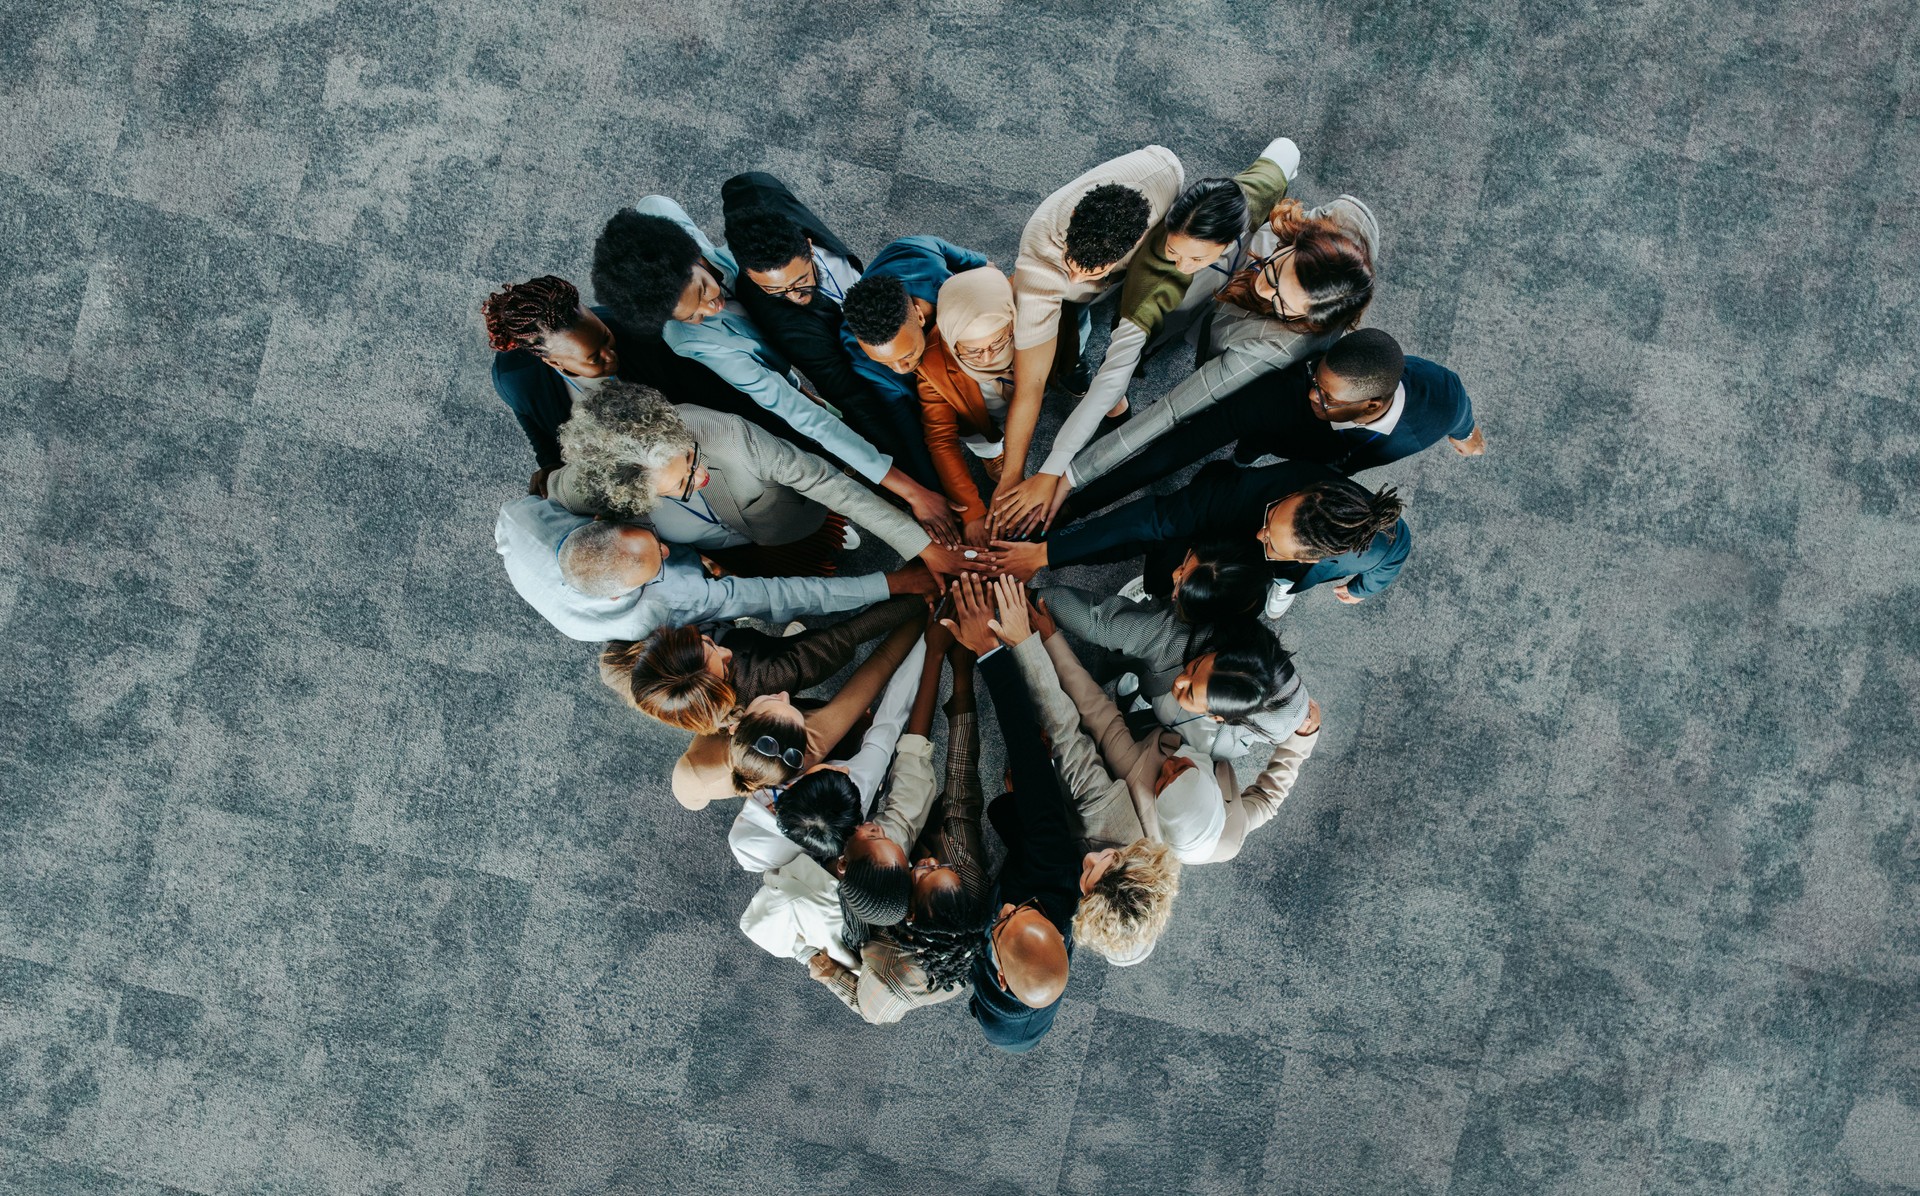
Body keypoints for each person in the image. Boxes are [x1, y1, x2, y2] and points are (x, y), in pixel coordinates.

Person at [590, 198, 961, 543]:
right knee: (820, 431)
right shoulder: (691, 341)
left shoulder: (688, 239)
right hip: (767, 389)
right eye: (694, 314)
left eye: (704, 288)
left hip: (811, 334)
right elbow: (801, 415)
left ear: (690, 253)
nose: (712, 307)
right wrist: (912, 491)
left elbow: (655, 203)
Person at [1057, 193, 1382, 510]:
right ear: (1300, 240)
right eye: (1276, 272)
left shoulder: (1278, 348)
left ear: (1304, 317)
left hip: (1240, 347)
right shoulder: (1347, 214)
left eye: (1281, 301)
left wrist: (1069, 477)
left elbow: (1171, 410)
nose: (1262, 287)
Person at [1030, 138, 1302, 512]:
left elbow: (1285, 150)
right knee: (1145, 349)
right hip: (1173, 310)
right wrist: (1052, 467)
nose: (1182, 264)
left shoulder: (1247, 198)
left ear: (1228, 237)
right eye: (1174, 251)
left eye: (1195, 256)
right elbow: (1110, 380)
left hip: (1232, 288)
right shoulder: (1154, 282)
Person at [545, 381, 971, 580]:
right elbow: (551, 491)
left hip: (786, 521)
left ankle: (835, 537)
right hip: (721, 551)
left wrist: (922, 547)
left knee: (820, 534)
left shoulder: (730, 436)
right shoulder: (592, 482)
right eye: (681, 484)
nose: (704, 474)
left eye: (691, 459)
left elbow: (826, 482)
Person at [1063, 330, 1485, 516]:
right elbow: (1177, 448)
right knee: (1251, 442)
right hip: (1275, 429)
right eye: (1316, 379)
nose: (1311, 395)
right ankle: (1246, 453)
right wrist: (1072, 502)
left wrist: (1467, 438)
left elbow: (1463, 419)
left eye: (1326, 396)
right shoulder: (1287, 393)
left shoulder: (1441, 397)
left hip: (1328, 465)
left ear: (1372, 403)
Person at [1035, 600, 1326, 865]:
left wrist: (1050, 640)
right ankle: (1145, 693)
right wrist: (1301, 740)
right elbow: (1267, 798)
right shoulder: (1230, 835)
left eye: (1163, 780)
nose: (1170, 762)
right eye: (1183, 770)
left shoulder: (1135, 778)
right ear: (1213, 790)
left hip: (1130, 753)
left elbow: (1096, 710)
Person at [990, 146, 1188, 535]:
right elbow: (1029, 386)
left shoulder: (1166, 182)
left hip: (1138, 254)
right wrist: (1010, 478)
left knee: (1098, 311)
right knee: (1067, 318)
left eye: (1096, 270)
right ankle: (1073, 360)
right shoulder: (1040, 259)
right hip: (1045, 282)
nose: (1079, 279)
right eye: (1073, 264)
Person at [990, 578, 1183, 966]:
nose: (1087, 862)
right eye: (1103, 861)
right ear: (1127, 858)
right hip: (1139, 753)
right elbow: (1069, 732)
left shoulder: (1117, 910)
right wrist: (1030, 643)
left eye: (1088, 878)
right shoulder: (1121, 827)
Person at [736, 631, 946, 971]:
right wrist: (931, 648)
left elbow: (754, 926)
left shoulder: (761, 859)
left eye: (873, 834)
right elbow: (905, 744)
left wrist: (810, 958)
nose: (876, 828)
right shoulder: (879, 829)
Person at [809, 640, 993, 1023]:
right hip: (930, 836)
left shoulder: (888, 972)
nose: (928, 861)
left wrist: (832, 977)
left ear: (907, 911)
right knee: (931, 793)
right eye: (941, 867)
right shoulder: (967, 874)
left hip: (873, 939)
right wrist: (962, 677)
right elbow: (962, 778)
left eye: (925, 871)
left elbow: (870, 1011)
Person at [936, 576, 1082, 1051]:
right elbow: (1023, 742)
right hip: (1038, 839)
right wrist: (988, 650)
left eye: (1000, 922)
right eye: (1018, 909)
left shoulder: (998, 980)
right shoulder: (1056, 862)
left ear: (996, 972)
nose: (1001, 908)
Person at [985, 459, 1410, 620]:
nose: (1261, 531)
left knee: (1255, 592)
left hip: (1289, 574)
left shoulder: (1384, 543)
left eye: (1272, 542)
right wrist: (1045, 553)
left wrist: (1360, 590)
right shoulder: (1244, 498)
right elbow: (1149, 520)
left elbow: (1391, 563)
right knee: (1167, 556)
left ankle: (1283, 585)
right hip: (1223, 523)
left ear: (1306, 558)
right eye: (1270, 519)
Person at [494, 495, 936, 643]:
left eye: (657, 546)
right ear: (617, 596)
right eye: (656, 564)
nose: (667, 552)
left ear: (597, 521)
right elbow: (782, 595)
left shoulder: (521, 519)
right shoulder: (671, 600)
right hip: (684, 615)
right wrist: (892, 582)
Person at [480, 275, 763, 493]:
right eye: (594, 358)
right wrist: (551, 465)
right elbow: (535, 425)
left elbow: (718, 399)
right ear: (556, 364)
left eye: (605, 337)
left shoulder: (638, 334)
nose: (610, 355)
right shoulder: (515, 378)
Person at [675, 614, 924, 815]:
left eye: (775, 702)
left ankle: (787, 655)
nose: (783, 694)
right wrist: (923, 615)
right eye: (787, 706)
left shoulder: (694, 766)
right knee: (855, 725)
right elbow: (885, 659)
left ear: (734, 725)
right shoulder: (813, 744)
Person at [599, 598, 922, 735]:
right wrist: (921, 597)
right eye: (723, 667)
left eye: (707, 644)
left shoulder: (621, 656)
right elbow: (847, 635)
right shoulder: (766, 679)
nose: (725, 652)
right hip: (777, 662)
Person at [836, 235, 994, 489]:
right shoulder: (859, 356)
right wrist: (934, 491)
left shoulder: (917, 253)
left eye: (906, 355)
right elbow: (908, 426)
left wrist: (987, 280)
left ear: (920, 316)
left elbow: (979, 263)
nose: (901, 368)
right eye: (887, 362)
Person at [719, 172, 870, 413]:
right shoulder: (790, 329)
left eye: (801, 281)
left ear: (809, 247)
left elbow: (755, 187)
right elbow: (851, 396)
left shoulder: (786, 216)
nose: (793, 296)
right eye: (773, 289)